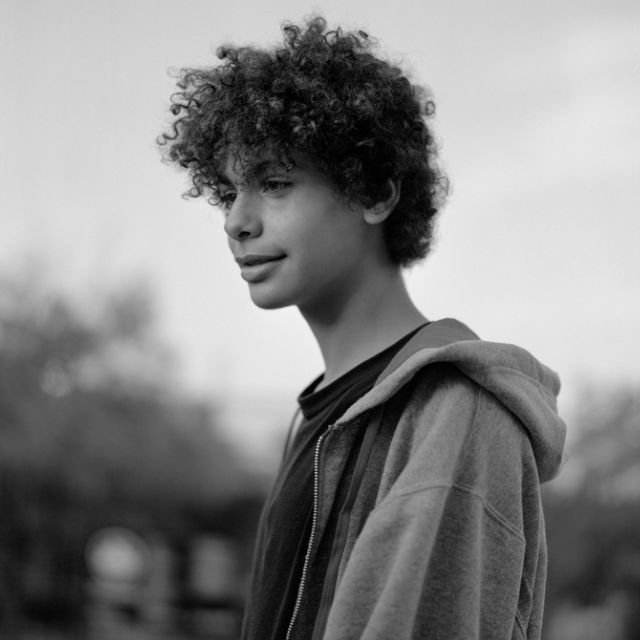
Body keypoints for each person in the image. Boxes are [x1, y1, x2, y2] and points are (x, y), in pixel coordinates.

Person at [158, 16, 566, 640]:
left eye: (274, 183)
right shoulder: (326, 415)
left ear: (373, 193)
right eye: (228, 192)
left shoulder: (456, 415)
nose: (236, 221)